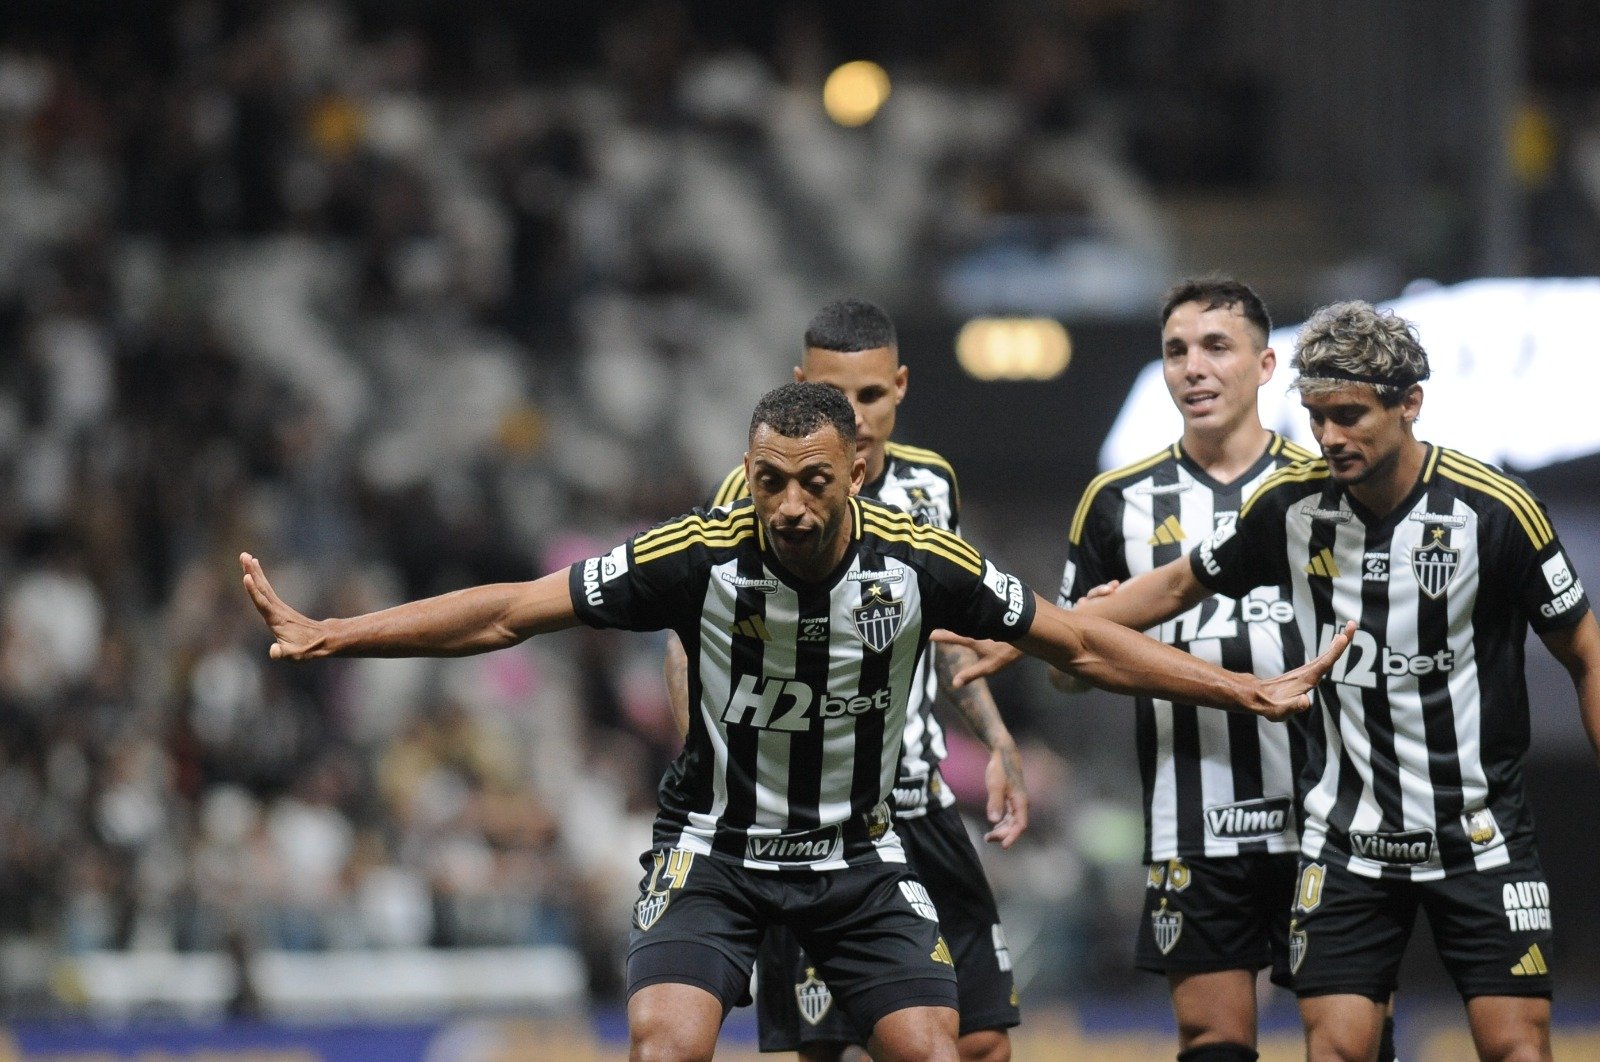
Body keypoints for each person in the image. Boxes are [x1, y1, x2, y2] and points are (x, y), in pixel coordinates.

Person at [242, 381, 1353, 1062]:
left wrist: (1238, 688)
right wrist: (339, 632)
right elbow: (508, 615)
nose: (787, 505)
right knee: (662, 1044)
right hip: (715, 856)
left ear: (853, 476)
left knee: (934, 1048)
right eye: (768, 479)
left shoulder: (923, 565)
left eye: (810, 481)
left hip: (860, 860)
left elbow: (1078, 640)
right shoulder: (697, 555)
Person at [941, 302, 1600, 1062]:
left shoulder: (1495, 510)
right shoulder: (1292, 507)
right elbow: (1171, 587)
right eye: (1317, 417)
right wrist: (1031, 636)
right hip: (1348, 841)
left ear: (1409, 403)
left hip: (1480, 835)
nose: (1329, 438)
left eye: (1349, 416)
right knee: (1337, 1047)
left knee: (1517, 1047)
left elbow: (1583, 649)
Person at [665, 297, 1026, 1062]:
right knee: (830, 1049)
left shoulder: (932, 485)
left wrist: (996, 739)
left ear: (899, 386)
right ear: (802, 384)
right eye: (836, 396)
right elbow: (688, 641)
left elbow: (952, 632)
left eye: (869, 396)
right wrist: (709, 769)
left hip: (918, 801)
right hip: (812, 824)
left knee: (984, 1040)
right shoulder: (754, 499)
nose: (855, 416)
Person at [1053, 277, 1318, 1062]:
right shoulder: (1116, 500)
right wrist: (1095, 635)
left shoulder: (1325, 487)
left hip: (1332, 813)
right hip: (1192, 818)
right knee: (1213, 1040)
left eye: (1216, 347)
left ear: (1267, 365)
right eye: (1175, 351)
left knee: (1350, 1037)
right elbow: (1067, 666)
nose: (1193, 368)